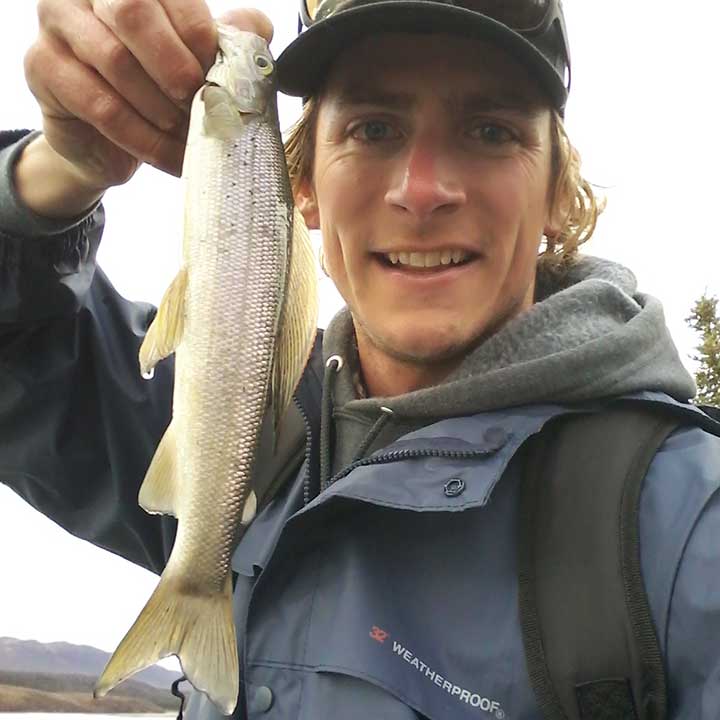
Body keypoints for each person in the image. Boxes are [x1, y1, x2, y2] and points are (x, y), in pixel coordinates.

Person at [1, 1, 719, 718]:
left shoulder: (689, 528)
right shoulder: (242, 436)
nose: (423, 190)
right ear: (303, 187)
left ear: (558, 192)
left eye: (491, 130)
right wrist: (57, 172)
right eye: (374, 129)